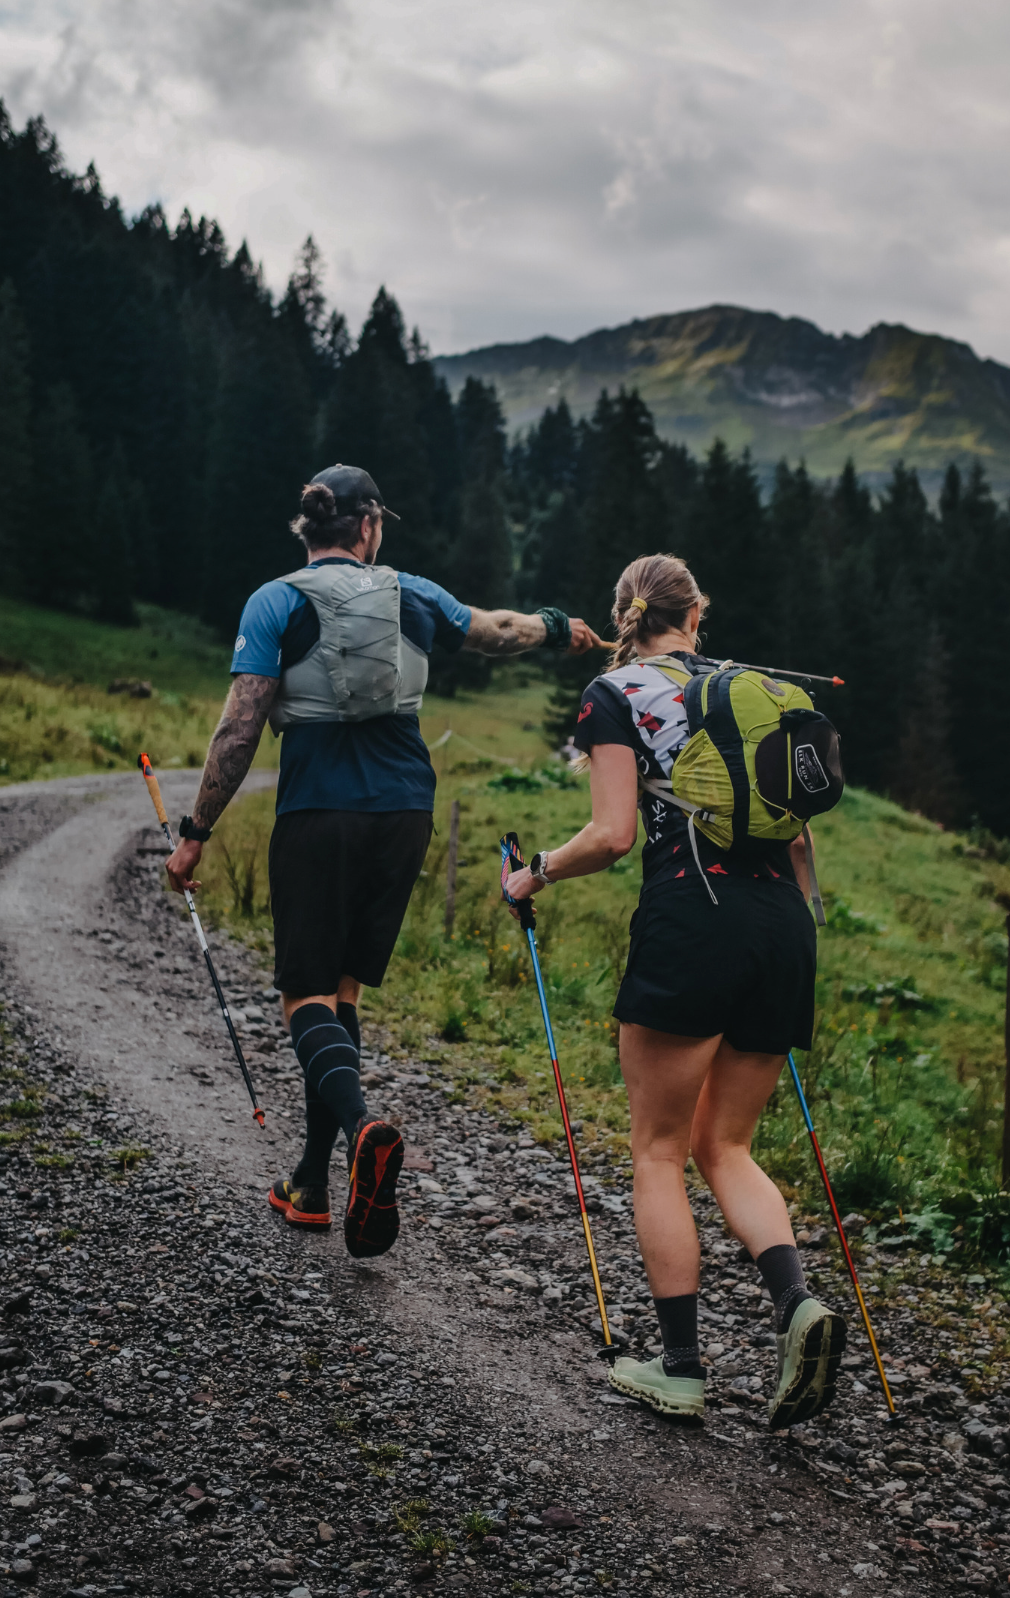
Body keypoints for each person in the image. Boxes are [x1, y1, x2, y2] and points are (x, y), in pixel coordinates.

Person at [166, 463, 602, 1258]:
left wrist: (195, 829)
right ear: (368, 526)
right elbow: (499, 632)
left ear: (310, 529)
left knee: (304, 997)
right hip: (404, 810)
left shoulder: (275, 601)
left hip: (318, 811)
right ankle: (310, 1182)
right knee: (342, 992)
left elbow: (240, 728)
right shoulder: (411, 591)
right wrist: (557, 623)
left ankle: (364, 1125)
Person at [505, 551, 845, 1430]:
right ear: (696, 614)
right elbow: (802, 845)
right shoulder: (760, 690)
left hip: (694, 919)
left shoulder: (615, 694)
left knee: (658, 1150)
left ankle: (681, 1366)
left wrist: (536, 873)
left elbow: (615, 835)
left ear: (625, 615)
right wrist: (793, 932)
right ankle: (797, 1303)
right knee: (725, 1145)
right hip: (783, 931)